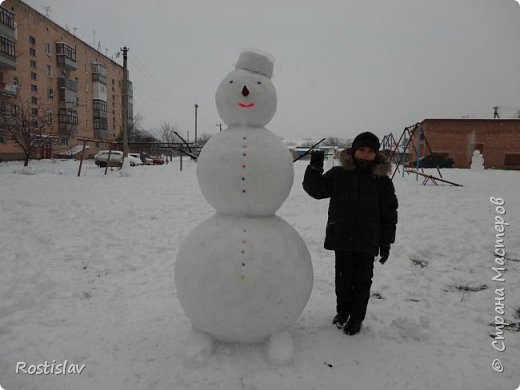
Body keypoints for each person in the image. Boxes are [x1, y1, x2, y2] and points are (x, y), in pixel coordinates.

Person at [302, 132, 398, 335]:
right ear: (354, 151)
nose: (365, 154)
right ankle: (343, 312)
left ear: (376, 154)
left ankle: (356, 318)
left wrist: (386, 243)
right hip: (342, 236)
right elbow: (316, 190)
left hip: (368, 239)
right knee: (343, 279)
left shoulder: (382, 181)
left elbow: (389, 214)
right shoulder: (339, 174)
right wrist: (315, 167)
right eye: (361, 150)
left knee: (363, 281)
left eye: (370, 151)